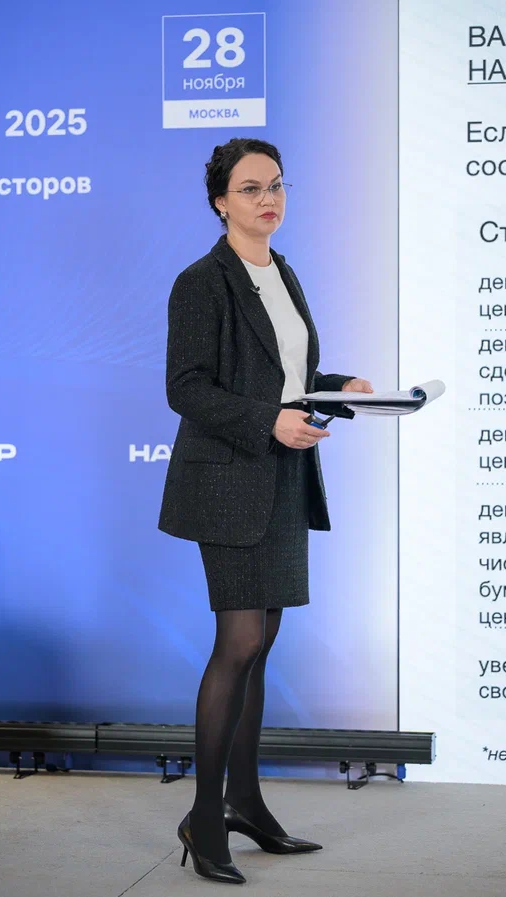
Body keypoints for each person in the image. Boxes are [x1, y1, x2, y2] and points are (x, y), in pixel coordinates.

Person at [158, 137, 374, 885]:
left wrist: (339, 387)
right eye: (250, 188)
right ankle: (204, 817)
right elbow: (186, 387)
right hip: (227, 481)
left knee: (263, 641)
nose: (268, 199)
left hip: (281, 476)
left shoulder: (283, 271)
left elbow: (289, 375)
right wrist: (269, 422)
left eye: (276, 185)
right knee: (239, 640)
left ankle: (245, 802)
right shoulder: (200, 281)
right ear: (221, 202)